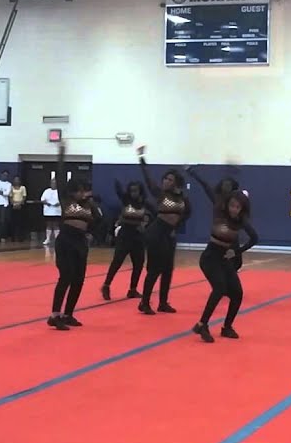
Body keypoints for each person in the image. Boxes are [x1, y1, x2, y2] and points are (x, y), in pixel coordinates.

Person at [187, 169, 258, 342]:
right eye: (232, 205)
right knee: (219, 288)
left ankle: (227, 327)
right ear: (227, 204)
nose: (234, 209)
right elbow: (206, 187)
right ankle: (202, 324)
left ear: (241, 209)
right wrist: (193, 172)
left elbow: (255, 238)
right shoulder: (219, 210)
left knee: (237, 294)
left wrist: (237, 251)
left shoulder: (240, 221)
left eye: (237, 207)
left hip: (224, 260)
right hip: (209, 258)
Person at [48, 147, 101, 331]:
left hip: (80, 242)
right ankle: (55, 315)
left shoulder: (90, 205)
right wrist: (61, 156)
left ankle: (68, 313)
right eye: (79, 191)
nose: (82, 194)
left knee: (79, 279)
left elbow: (99, 221)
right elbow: (61, 178)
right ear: (71, 192)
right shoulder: (66, 200)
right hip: (66, 240)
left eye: (84, 190)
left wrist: (91, 233)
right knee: (66, 276)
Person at [136, 146, 188, 315]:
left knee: (168, 269)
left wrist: (176, 227)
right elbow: (148, 179)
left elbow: (187, 213)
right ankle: (144, 302)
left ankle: (163, 302)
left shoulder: (182, 198)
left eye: (170, 179)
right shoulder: (160, 194)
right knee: (155, 268)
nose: (166, 181)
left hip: (170, 234)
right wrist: (142, 160)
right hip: (157, 232)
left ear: (176, 183)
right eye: (165, 178)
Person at [102, 179, 149, 300]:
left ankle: (133, 289)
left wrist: (145, 224)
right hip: (125, 235)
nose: (133, 193)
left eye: (136, 191)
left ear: (140, 191)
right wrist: (116, 180)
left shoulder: (144, 203)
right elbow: (119, 191)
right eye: (131, 191)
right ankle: (106, 285)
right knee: (117, 261)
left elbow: (152, 215)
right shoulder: (126, 200)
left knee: (138, 263)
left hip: (138, 236)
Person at [40, 177, 61, 246]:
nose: (53, 184)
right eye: (52, 183)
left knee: (56, 225)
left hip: (56, 211)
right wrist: (46, 203)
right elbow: (42, 200)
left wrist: (59, 203)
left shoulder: (59, 191)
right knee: (49, 225)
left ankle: (57, 239)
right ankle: (48, 239)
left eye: (55, 183)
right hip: (48, 211)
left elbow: (62, 200)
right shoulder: (46, 191)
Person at [10, 176, 28, 243]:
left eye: (18, 180)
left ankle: (20, 237)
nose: (16, 181)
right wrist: (13, 204)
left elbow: (24, 197)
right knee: (13, 222)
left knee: (20, 222)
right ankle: (13, 237)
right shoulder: (11, 187)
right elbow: (10, 197)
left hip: (21, 206)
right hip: (13, 206)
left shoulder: (23, 188)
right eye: (15, 180)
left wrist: (19, 203)